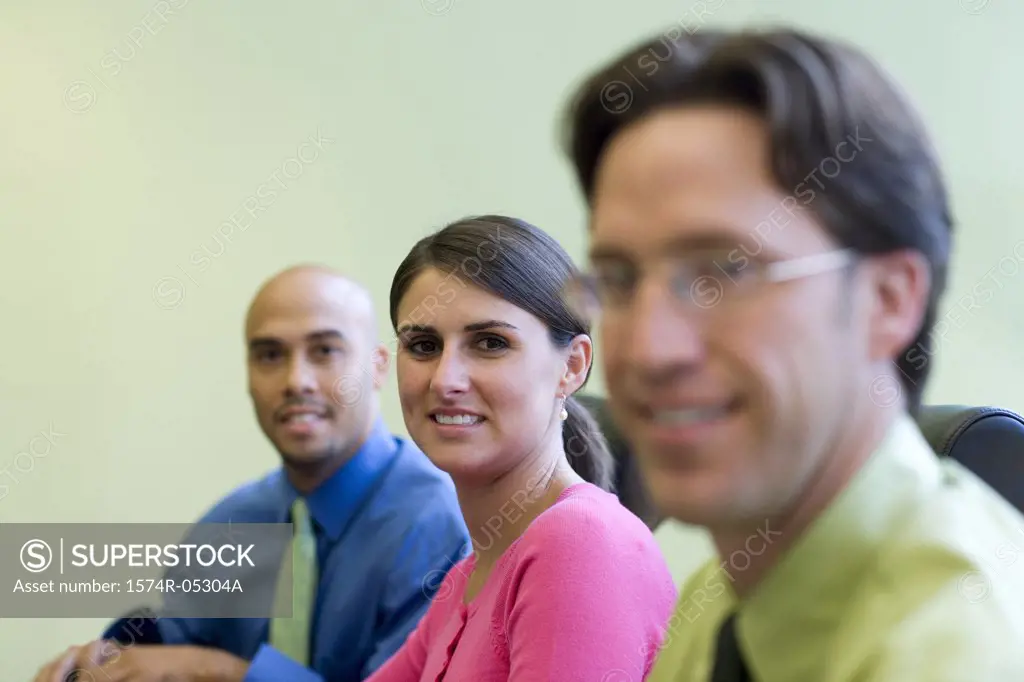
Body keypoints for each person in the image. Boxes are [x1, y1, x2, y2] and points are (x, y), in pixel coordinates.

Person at [560, 26, 1024, 681]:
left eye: (724, 273)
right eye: (619, 280)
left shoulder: (963, 654)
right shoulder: (723, 598)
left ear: (889, 301)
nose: (646, 348)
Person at [33, 266, 471, 682]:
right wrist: (102, 661)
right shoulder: (229, 524)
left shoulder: (438, 523)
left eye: (325, 351)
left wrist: (222, 670)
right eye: (269, 355)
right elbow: (167, 650)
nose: (296, 380)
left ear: (378, 365)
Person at [364, 215, 678, 681]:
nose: (445, 379)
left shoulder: (580, 542)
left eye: (490, 343)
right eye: (424, 345)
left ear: (572, 366)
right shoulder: (464, 580)